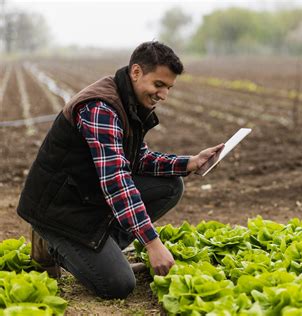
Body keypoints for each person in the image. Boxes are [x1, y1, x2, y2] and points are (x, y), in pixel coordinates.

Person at [17, 41, 224, 299]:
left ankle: (102, 248)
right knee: (117, 285)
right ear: (136, 72)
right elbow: (117, 181)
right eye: (158, 85)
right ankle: (51, 246)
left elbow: (137, 159)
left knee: (170, 186)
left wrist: (188, 163)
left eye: (168, 87)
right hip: (60, 208)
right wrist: (152, 243)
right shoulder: (101, 108)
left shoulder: (130, 100)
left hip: (87, 195)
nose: (163, 95)